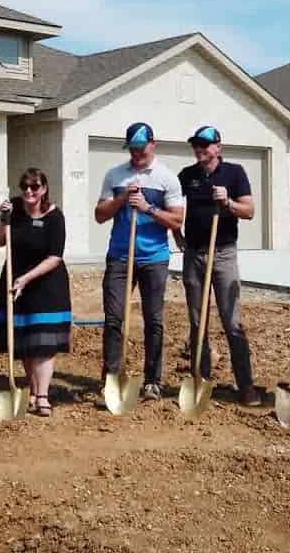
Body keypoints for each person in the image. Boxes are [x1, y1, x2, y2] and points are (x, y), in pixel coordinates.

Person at [95, 122, 185, 402]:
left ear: (152, 145)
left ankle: (152, 382)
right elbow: (99, 214)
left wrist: (148, 208)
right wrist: (122, 198)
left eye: (141, 148)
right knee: (113, 319)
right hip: (120, 257)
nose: (136, 154)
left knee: (154, 320)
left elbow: (177, 220)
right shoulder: (115, 175)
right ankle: (111, 379)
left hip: (154, 258)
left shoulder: (166, 177)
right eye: (132, 149)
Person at [177, 125, 259, 405]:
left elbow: (249, 211)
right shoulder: (187, 176)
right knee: (198, 321)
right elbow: (174, 207)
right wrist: (178, 235)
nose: (200, 150)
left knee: (232, 321)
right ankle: (201, 380)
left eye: (205, 145)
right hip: (194, 255)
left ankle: (245, 385)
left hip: (223, 254)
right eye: (196, 146)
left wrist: (228, 202)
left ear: (218, 148)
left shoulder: (234, 173)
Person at [0, 168, 73, 417]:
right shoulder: (13, 209)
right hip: (15, 281)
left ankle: (44, 395)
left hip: (47, 284)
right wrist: (3, 218)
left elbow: (55, 257)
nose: (29, 191)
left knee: (44, 343)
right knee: (25, 340)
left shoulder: (55, 216)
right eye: (24, 186)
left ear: (44, 189)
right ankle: (34, 391)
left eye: (34, 186)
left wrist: (26, 279)